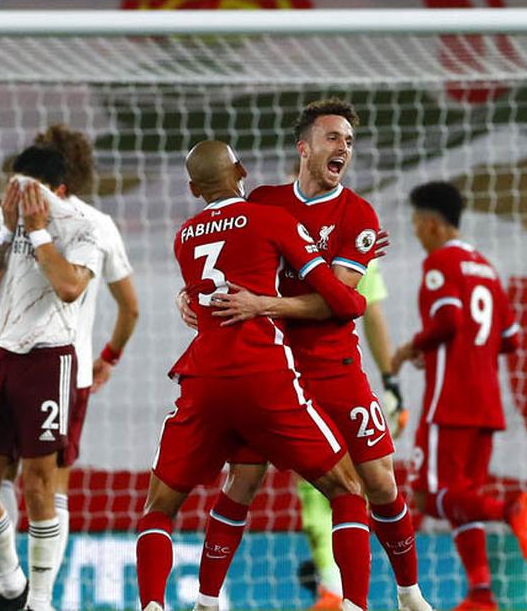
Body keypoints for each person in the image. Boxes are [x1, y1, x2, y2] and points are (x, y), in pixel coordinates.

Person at [180, 99, 430, 611]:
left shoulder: (358, 215)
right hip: (270, 368)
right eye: (333, 137)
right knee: (242, 479)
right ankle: (205, 600)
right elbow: (221, 262)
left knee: (378, 481)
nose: (344, 148)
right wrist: (192, 295)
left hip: (332, 366)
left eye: (349, 142)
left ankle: (409, 594)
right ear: (305, 146)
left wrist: (263, 302)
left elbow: (337, 306)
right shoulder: (266, 203)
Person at [135, 140, 369, 611]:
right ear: (241, 171)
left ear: (192, 188)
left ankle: (170, 604)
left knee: (163, 506)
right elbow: (340, 301)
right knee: (347, 488)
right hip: (263, 373)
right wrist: (354, 300)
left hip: (202, 379)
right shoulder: (270, 220)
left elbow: (203, 296)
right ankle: (355, 605)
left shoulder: (183, 236)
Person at [0, 126, 139, 604]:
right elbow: (129, 308)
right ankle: (26, 590)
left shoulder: (71, 224)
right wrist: (109, 357)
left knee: (10, 476)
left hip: (32, 364)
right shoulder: (95, 223)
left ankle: (13, 584)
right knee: (47, 483)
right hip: (70, 372)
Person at [0, 145, 102, 611]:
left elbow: (68, 288)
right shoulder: (5, 221)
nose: (17, 196)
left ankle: (40, 602)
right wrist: (5, 235)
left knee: (40, 486)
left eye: (27, 188)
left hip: (50, 361)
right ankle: (11, 583)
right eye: (13, 186)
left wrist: (39, 233)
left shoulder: (85, 227)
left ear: (54, 190)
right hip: (6, 359)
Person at [390, 181, 527, 611]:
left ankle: (509, 509)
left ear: (433, 224)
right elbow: (510, 338)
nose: (416, 233)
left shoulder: (440, 263)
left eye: (417, 224)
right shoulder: (486, 268)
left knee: (427, 495)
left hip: (449, 400)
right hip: (487, 402)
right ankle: (480, 594)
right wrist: (453, 348)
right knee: (460, 496)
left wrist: (411, 348)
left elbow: (449, 319)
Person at [296, 260, 405, 610]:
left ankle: (334, 587)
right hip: (343, 378)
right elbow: (371, 313)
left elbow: (370, 312)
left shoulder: (283, 231)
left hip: (296, 378)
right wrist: (390, 382)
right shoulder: (358, 239)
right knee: (366, 483)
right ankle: (353, 592)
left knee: (321, 483)